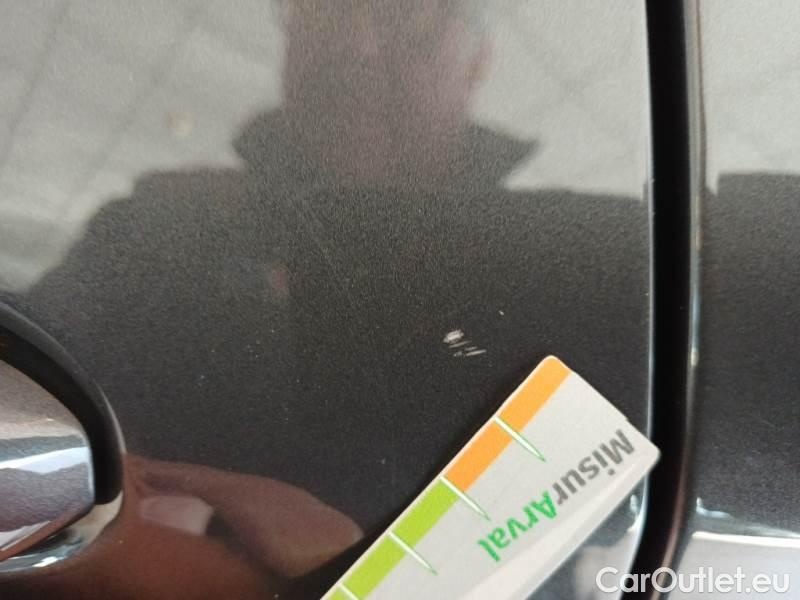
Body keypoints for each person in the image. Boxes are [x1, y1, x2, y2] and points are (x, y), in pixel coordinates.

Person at [13, 1, 648, 597]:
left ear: (477, 59)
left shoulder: (586, 271)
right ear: (289, 35)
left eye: (408, 16)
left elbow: (619, 503)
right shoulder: (154, 235)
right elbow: (21, 400)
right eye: (326, 11)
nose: (361, 44)